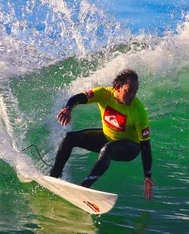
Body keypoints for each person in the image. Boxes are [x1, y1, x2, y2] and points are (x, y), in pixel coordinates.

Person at [49, 69, 154, 200]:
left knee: (108, 148)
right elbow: (79, 97)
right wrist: (68, 108)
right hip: (108, 137)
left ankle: (84, 186)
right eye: (129, 90)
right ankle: (54, 175)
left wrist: (147, 176)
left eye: (135, 91)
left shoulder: (139, 112)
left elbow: (145, 146)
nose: (132, 95)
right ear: (118, 87)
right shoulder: (104, 94)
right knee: (70, 138)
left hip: (130, 148)